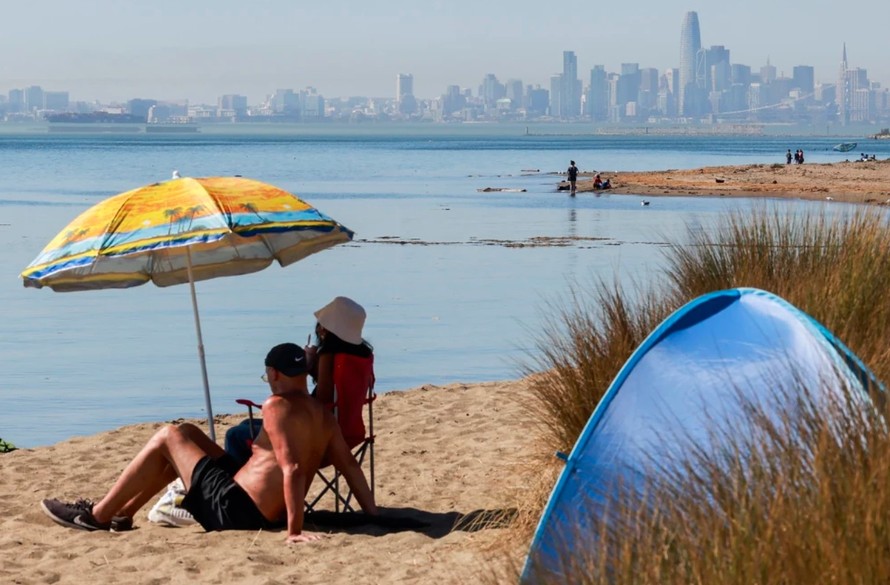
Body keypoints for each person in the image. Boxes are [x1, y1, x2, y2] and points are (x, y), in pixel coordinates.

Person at [40, 343, 378, 541]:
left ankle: (97, 516)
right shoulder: (322, 412)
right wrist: (374, 513)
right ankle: (123, 514)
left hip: (238, 509)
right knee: (188, 434)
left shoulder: (277, 406)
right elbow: (348, 465)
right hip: (253, 502)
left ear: (274, 374)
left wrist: (294, 532)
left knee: (168, 436)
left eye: (267, 376)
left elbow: (290, 467)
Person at [306, 296, 373, 407]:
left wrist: (307, 364)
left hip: (329, 420)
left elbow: (323, 398)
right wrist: (314, 369)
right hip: (351, 417)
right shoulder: (364, 353)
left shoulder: (328, 353)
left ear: (324, 329)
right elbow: (338, 385)